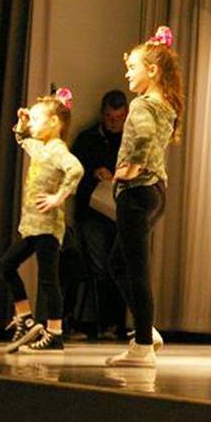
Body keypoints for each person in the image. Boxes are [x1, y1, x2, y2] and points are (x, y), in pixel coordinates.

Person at [105, 26, 184, 368]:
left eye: (132, 67)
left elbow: (144, 137)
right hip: (156, 192)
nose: (127, 74)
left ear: (152, 70)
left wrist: (131, 167)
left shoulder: (141, 104)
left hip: (137, 191)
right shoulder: (166, 105)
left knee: (136, 269)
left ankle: (142, 347)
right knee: (118, 263)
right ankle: (145, 329)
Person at [1, 88, 84, 353]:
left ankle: (55, 333)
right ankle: (25, 318)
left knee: (49, 279)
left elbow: (76, 169)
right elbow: (22, 138)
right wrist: (23, 122)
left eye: (38, 120)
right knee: (6, 265)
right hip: (32, 227)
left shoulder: (57, 150)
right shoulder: (42, 148)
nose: (33, 124)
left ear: (54, 122)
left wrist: (59, 196)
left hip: (47, 227)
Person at [68, 89, 129, 339]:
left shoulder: (129, 140)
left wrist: (116, 177)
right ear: (102, 115)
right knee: (99, 267)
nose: (114, 123)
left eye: (119, 118)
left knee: (119, 268)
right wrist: (94, 173)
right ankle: (104, 322)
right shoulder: (87, 139)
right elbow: (72, 177)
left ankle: (114, 323)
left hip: (119, 213)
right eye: (109, 118)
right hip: (91, 213)